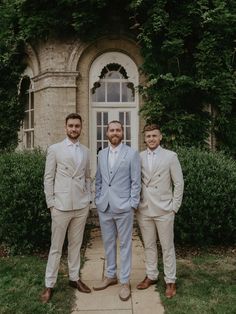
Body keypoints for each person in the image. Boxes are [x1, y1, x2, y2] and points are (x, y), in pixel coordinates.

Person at [41, 113, 92, 303]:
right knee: (56, 247)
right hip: (60, 206)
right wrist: (51, 203)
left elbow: (87, 177)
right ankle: (49, 284)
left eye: (77, 126)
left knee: (75, 245)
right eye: (71, 126)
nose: (74, 129)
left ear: (81, 128)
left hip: (80, 206)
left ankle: (74, 278)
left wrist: (88, 199)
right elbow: (48, 178)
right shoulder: (55, 149)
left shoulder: (86, 151)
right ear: (65, 127)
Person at [93, 120, 141, 301]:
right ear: (107, 133)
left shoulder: (131, 154)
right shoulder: (101, 154)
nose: (115, 133)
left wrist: (132, 204)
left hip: (124, 207)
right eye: (112, 130)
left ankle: (125, 281)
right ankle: (110, 275)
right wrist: (97, 199)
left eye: (118, 130)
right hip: (104, 206)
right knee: (108, 243)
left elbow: (136, 182)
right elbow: (99, 179)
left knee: (125, 245)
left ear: (123, 133)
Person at [136, 124, 184, 299]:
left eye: (154, 136)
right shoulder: (139, 157)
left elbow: (179, 183)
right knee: (148, 245)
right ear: (145, 139)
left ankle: (171, 280)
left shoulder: (170, 156)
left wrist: (174, 208)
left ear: (160, 137)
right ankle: (152, 275)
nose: (151, 139)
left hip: (164, 209)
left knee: (167, 246)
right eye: (148, 136)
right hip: (144, 209)